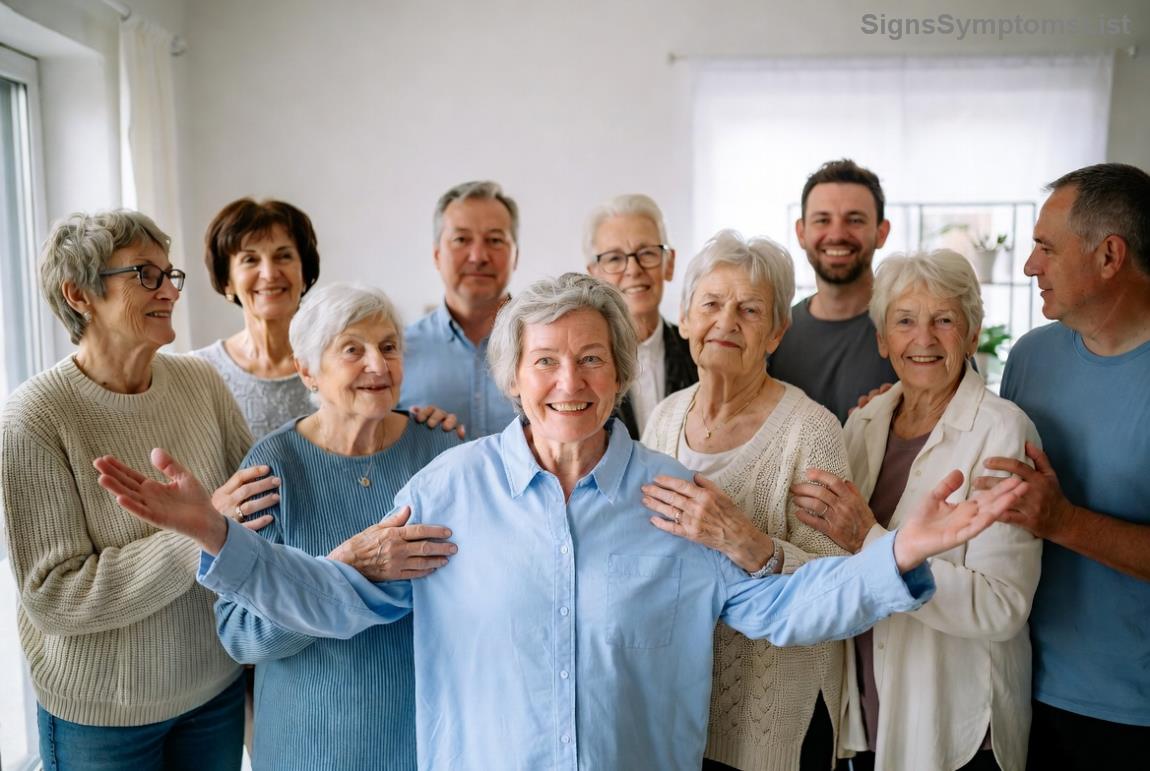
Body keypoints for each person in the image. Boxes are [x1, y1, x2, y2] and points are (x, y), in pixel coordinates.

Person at [95, 273, 1030, 771]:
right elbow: (337, 598)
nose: (568, 382)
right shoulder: (455, 488)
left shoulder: (673, 497)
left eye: (591, 359)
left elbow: (782, 608)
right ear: (513, 378)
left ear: (620, 374)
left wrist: (900, 551)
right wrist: (217, 536)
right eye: (544, 361)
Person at [1, 210, 279, 770]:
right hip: (101, 719)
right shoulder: (33, 419)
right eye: (144, 275)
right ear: (79, 294)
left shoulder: (201, 383)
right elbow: (55, 596)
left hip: (214, 689)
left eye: (169, 274)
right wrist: (199, 533)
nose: (169, 291)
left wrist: (388, 422)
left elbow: (263, 502)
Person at [791, 250, 1042, 771]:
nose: (923, 339)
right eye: (904, 321)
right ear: (883, 339)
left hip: (955, 723)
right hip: (872, 710)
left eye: (944, 320)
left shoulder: (1002, 430)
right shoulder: (863, 423)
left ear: (972, 336)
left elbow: (1001, 605)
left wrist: (871, 539)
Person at [214, 283, 460, 770]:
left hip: (428, 738)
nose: (378, 365)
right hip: (310, 743)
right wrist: (344, 571)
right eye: (353, 349)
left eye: (388, 346)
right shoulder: (272, 467)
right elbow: (239, 633)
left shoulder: (440, 450)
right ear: (307, 369)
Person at [641, 230, 850, 771]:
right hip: (676, 708)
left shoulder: (813, 432)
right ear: (684, 319)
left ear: (777, 332)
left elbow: (838, 592)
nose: (727, 321)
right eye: (711, 304)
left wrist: (748, 543)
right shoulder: (664, 417)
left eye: (750, 310)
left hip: (772, 720)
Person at [972, 163, 1150, 770]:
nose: (1029, 266)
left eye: (1046, 248)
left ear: (1109, 256)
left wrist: (1064, 522)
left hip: (1133, 713)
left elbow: (1048, 515)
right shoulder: (1030, 357)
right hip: (1025, 688)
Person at [769, 159, 897, 422]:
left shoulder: (917, 330)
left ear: (881, 232)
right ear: (801, 232)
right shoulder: (774, 335)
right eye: (822, 220)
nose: (837, 234)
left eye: (855, 220)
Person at [396, 180, 520, 437]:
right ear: (437, 255)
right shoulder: (398, 353)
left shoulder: (548, 347)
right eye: (461, 239)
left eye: (495, 240)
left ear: (515, 256)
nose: (478, 256)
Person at [192, 198, 321, 439]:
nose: (270, 274)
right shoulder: (198, 372)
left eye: (283, 256)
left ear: (304, 272)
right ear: (227, 281)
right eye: (250, 260)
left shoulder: (339, 359)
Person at [585, 193, 697, 438]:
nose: (634, 270)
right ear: (594, 275)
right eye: (615, 258)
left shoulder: (699, 354)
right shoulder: (581, 367)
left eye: (646, 253)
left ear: (669, 263)